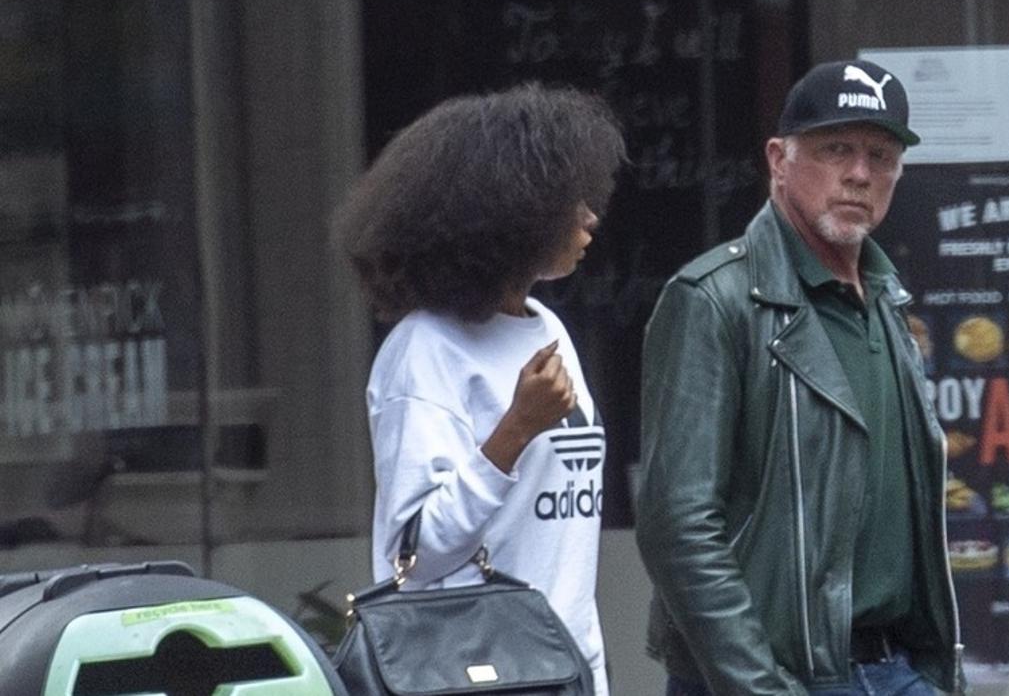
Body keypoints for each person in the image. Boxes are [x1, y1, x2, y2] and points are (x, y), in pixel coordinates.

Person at [634, 59, 964, 695]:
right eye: (836, 149)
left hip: (895, 668)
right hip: (771, 677)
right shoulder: (714, 299)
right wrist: (757, 685)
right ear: (778, 160)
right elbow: (678, 525)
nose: (859, 173)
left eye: (881, 155)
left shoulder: (886, 299)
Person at [332, 82, 626, 696]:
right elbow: (413, 557)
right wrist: (513, 432)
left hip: (564, 670)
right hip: (474, 674)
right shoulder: (425, 350)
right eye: (567, 202)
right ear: (510, 216)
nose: (590, 217)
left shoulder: (548, 329)